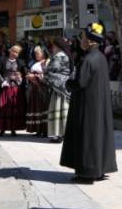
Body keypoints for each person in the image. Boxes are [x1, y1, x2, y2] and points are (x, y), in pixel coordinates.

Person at [60, 23, 117, 183]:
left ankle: (87, 172)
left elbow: (80, 83)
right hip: (99, 105)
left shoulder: (88, 59)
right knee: (99, 136)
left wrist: (67, 83)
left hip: (87, 106)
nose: (81, 40)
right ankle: (99, 170)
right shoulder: (100, 57)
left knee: (87, 137)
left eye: (83, 37)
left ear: (91, 41)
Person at [0, 45, 27, 137]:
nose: (15, 53)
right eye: (13, 51)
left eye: (17, 52)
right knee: (3, 108)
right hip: (5, 87)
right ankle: (2, 128)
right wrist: (2, 81)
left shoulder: (20, 63)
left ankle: (13, 129)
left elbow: (24, 74)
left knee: (14, 108)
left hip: (15, 88)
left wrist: (20, 78)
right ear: (10, 51)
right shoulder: (2, 60)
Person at [45, 38, 72, 143]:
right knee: (65, 111)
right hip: (66, 86)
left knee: (57, 111)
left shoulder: (58, 56)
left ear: (57, 46)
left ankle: (58, 135)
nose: (52, 48)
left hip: (58, 87)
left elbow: (50, 70)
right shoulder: (67, 55)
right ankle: (65, 134)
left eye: (54, 46)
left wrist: (45, 73)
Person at [25, 46, 50, 137]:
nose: (36, 55)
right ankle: (37, 129)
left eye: (37, 53)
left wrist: (35, 77)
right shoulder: (35, 63)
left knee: (42, 107)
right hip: (34, 88)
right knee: (36, 107)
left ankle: (45, 130)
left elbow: (47, 76)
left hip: (42, 89)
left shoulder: (47, 62)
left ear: (43, 53)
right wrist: (29, 76)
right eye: (35, 53)